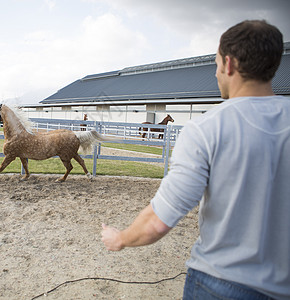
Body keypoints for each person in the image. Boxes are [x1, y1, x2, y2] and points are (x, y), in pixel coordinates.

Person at [101, 20, 289, 300]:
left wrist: (121, 238)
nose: (215, 74)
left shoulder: (205, 129)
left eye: (215, 65)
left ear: (228, 64)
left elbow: (160, 220)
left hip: (219, 282)